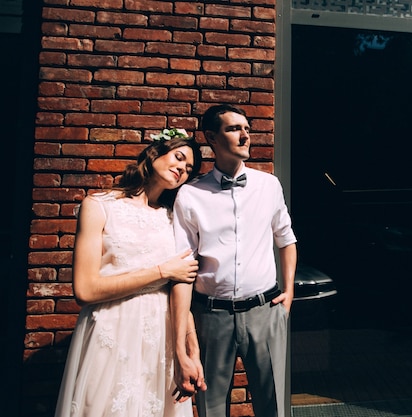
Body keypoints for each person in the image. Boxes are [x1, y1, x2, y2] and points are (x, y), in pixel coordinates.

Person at [54, 130, 207, 417]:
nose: (182, 170)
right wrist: (161, 271)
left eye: (188, 169)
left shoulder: (173, 219)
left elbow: (181, 290)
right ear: (156, 152)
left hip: (160, 335)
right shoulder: (99, 206)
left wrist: (189, 351)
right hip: (112, 329)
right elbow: (85, 290)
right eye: (178, 157)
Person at [171, 104, 298, 417]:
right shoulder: (190, 194)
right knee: (210, 406)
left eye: (247, 129)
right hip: (211, 316)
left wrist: (289, 291)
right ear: (212, 138)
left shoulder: (269, 185)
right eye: (234, 129)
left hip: (266, 311)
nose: (245, 136)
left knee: (275, 406)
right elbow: (182, 266)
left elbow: (286, 239)